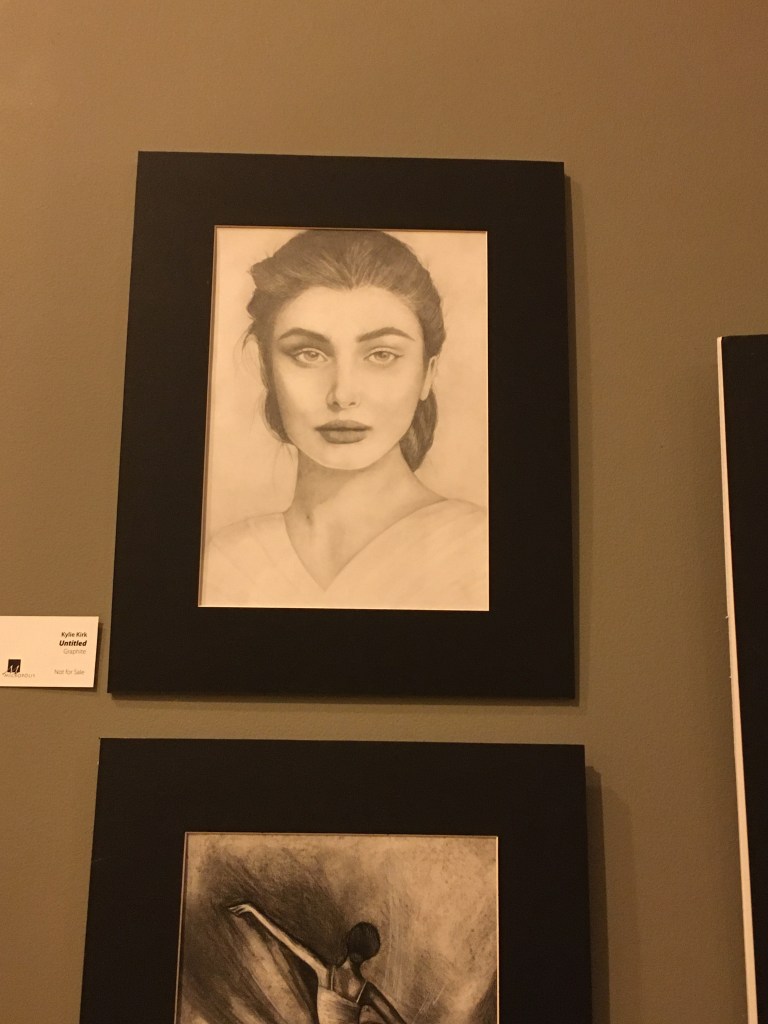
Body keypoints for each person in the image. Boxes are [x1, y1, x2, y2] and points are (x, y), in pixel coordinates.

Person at [200, 229, 488, 611]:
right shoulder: (226, 561)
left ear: (428, 374)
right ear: (266, 369)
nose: (343, 394)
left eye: (381, 355)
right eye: (308, 354)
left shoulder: (478, 550)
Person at [229, 902, 407, 1024]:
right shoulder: (366, 991)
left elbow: (288, 941)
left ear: (347, 942)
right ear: (369, 955)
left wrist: (254, 911)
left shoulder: (325, 973)